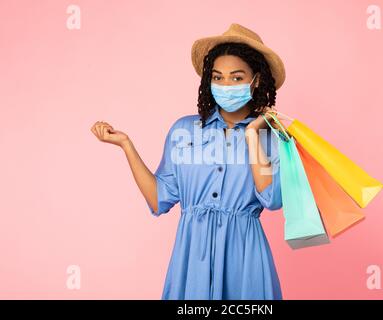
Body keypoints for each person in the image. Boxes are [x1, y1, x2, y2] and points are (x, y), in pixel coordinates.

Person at [90, 23, 287, 300]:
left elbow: (271, 198)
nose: (225, 85)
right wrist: (126, 145)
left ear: (256, 81)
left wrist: (254, 134)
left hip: (244, 259)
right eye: (218, 77)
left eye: (236, 77)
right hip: (191, 256)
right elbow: (159, 199)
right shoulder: (184, 131)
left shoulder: (272, 136)